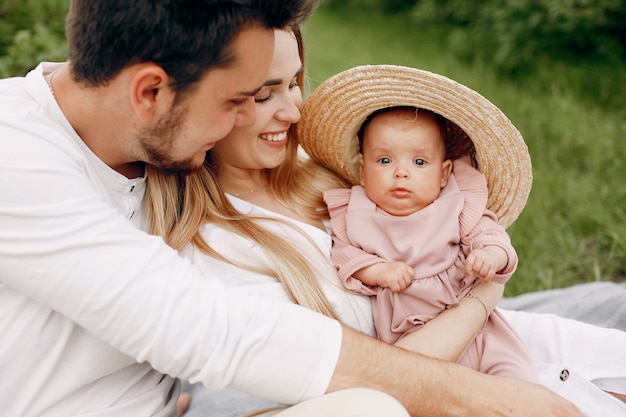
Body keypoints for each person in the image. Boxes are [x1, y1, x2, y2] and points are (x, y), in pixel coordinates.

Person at [143, 24, 618, 417]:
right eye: (265, 94)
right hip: (430, 371)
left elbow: (440, 203)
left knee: (609, 306)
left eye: (294, 83)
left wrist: (483, 261)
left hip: (472, 327)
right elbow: (374, 382)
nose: (293, 111)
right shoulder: (218, 250)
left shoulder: (314, 171)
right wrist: (481, 298)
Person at [322, 105, 538, 382]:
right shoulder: (357, 216)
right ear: (363, 172)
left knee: (518, 382)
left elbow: (492, 236)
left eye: (419, 162)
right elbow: (346, 258)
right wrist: (378, 271)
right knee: (435, 396)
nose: (401, 172)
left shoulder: (457, 206)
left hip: (481, 336)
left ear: (444, 174)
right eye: (385, 161)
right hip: (416, 340)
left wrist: (490, 256)